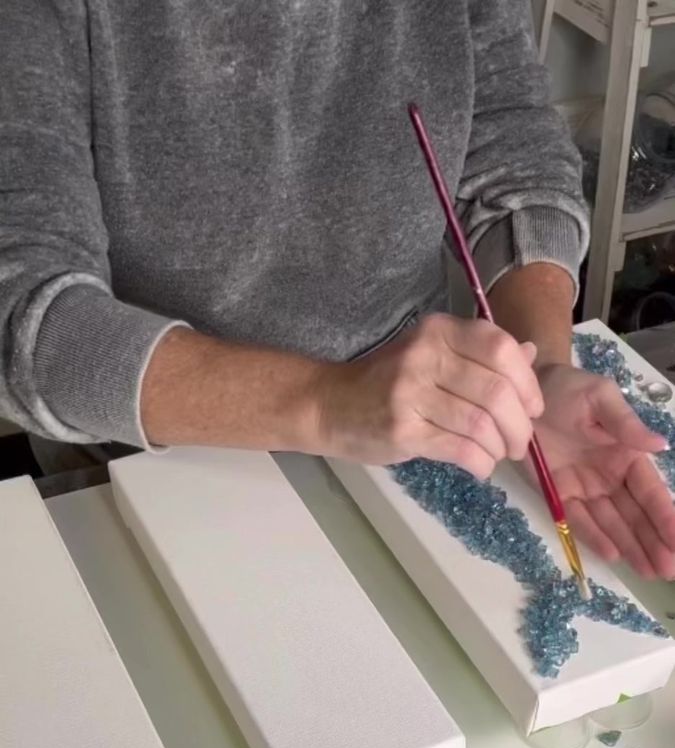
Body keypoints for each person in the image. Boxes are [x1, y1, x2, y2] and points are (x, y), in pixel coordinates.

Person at [1, 1, 674, 578]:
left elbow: (511, 147)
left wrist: (539, 368)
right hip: (138, 456)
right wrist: (330, 403)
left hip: (406, 426)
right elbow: (26, 313)